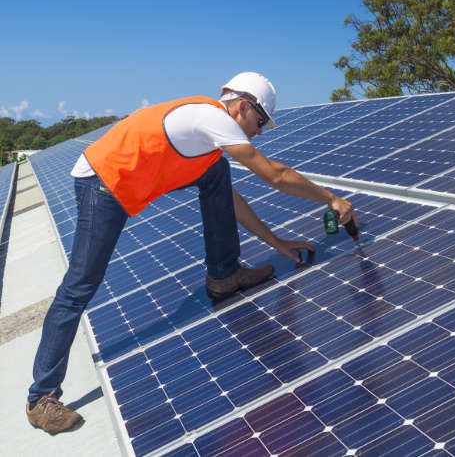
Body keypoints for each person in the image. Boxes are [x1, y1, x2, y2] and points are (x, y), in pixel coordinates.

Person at [26, 71, 357, 434]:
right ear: (243, 106)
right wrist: (331, 198)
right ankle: (41, 398)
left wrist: (276, 242)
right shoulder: (212, 118)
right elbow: (275, 176)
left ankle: (224, 275)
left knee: (217, 174)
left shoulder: (208, 144)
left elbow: (231, 201)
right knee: (80, 285)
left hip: (126, 179)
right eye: (260, 121)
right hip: (103, 182)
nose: (259, 131)